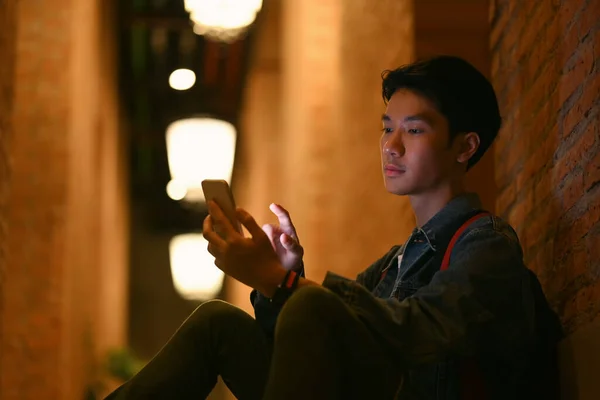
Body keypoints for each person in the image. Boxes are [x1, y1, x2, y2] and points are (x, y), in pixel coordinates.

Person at [106, 55, 562, 400]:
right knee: (217, 322)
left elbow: (422, 334)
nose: (391, 146)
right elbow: (308, 349)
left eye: (415, 131)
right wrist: (279, 283)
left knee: (308, 306)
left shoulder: (487, 245)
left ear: (465, 147)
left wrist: (284, 283)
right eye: (387, 129)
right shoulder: (393, 264)